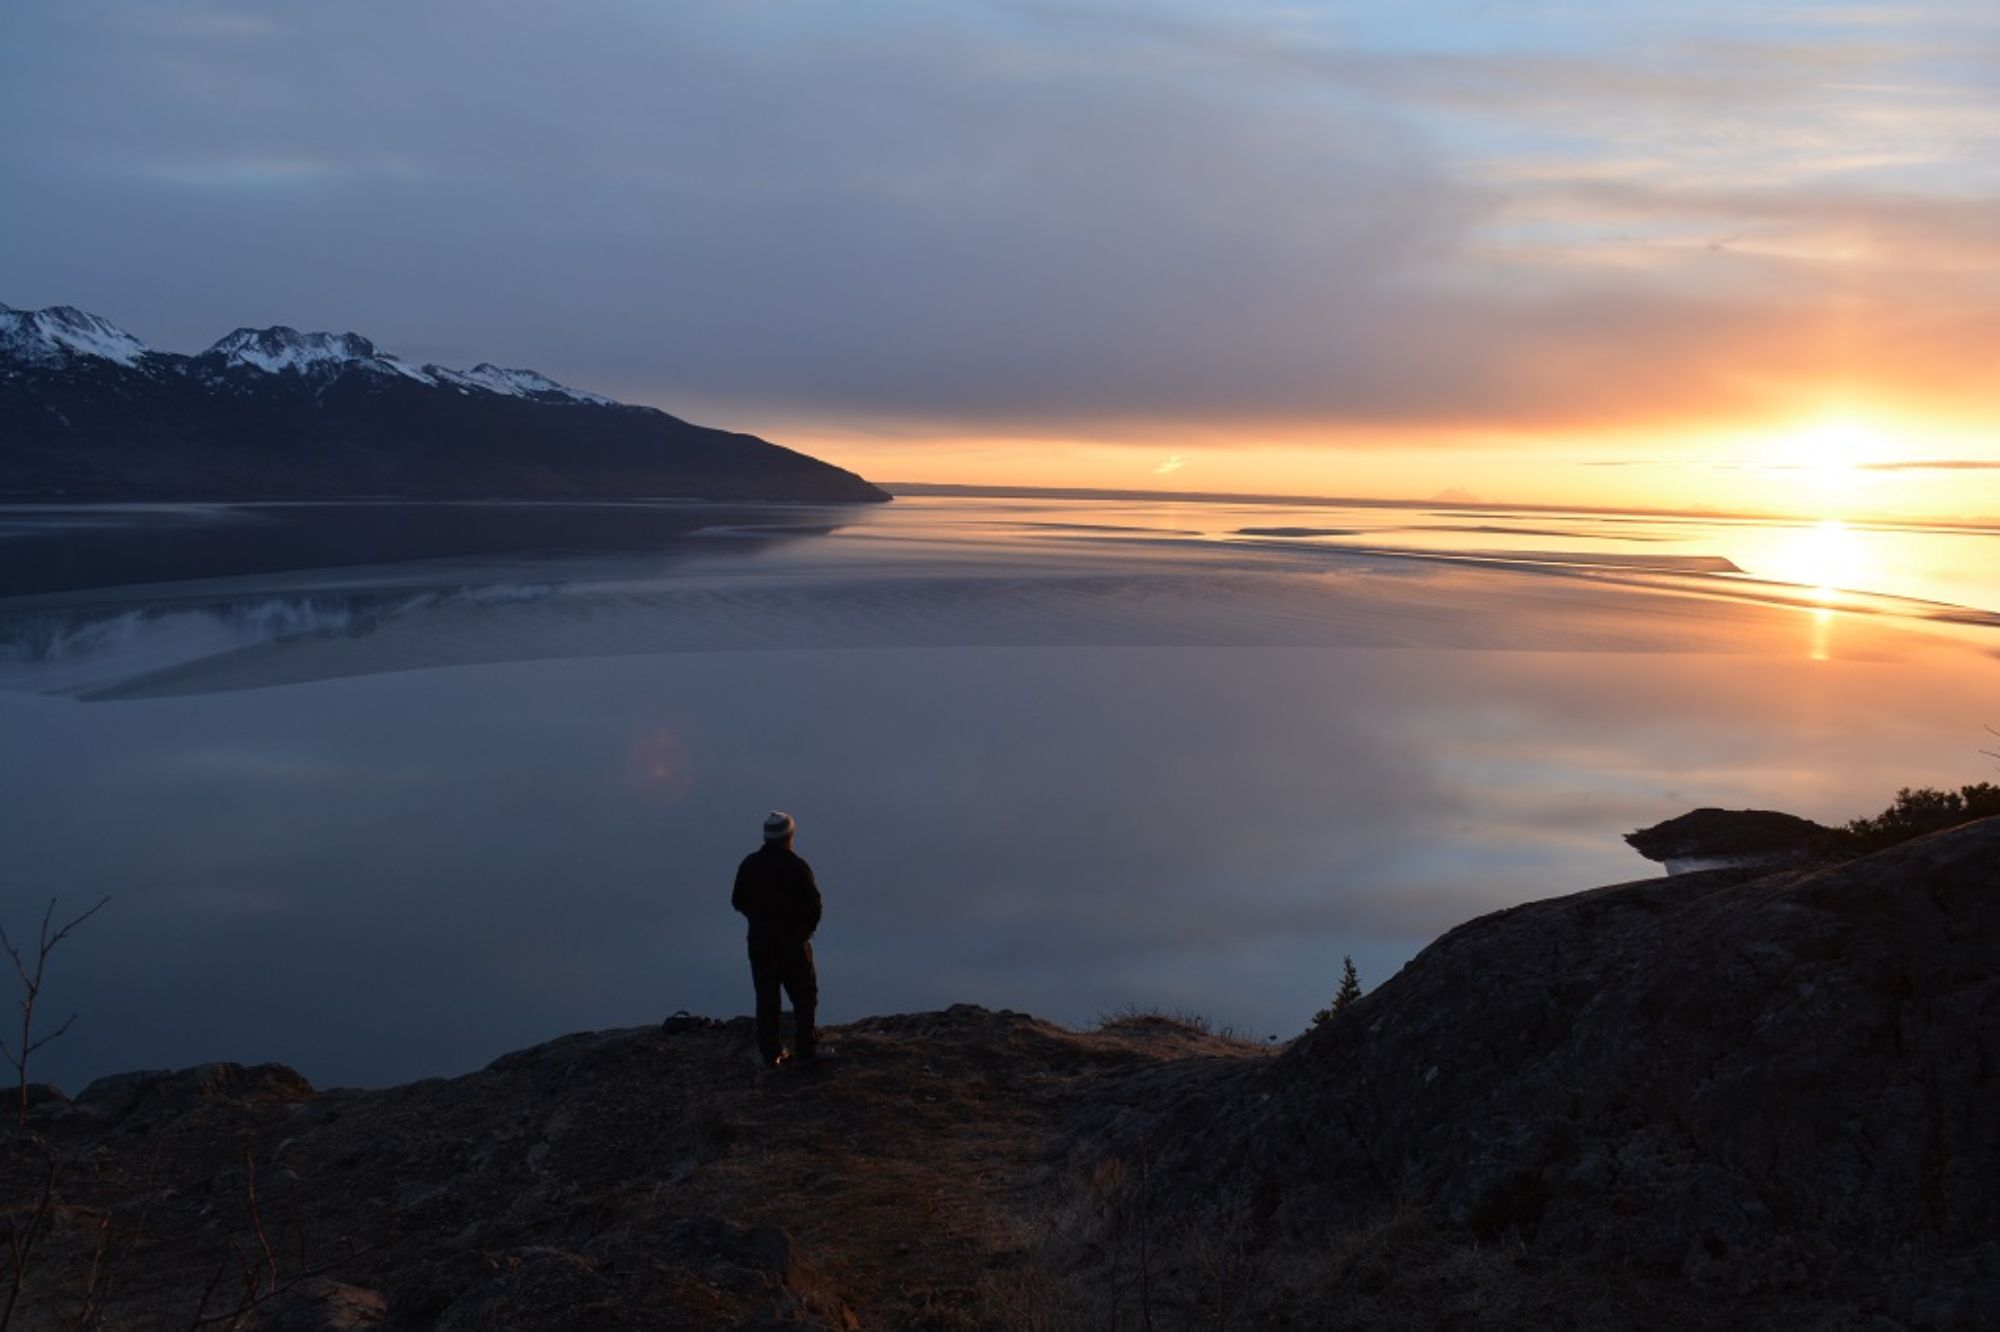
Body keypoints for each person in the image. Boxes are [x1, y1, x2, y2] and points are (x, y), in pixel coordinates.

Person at [731, 810, 822, 1067]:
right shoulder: (797, 866)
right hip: (793, 943)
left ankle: (771, 1054)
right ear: (789, 835)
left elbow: (737, 900)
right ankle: (805, 1048)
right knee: (804, 994)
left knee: (766, 996)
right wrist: (806, 931)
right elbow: (815, 904)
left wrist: (757, 919)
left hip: (760, 943)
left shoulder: (750, 864)